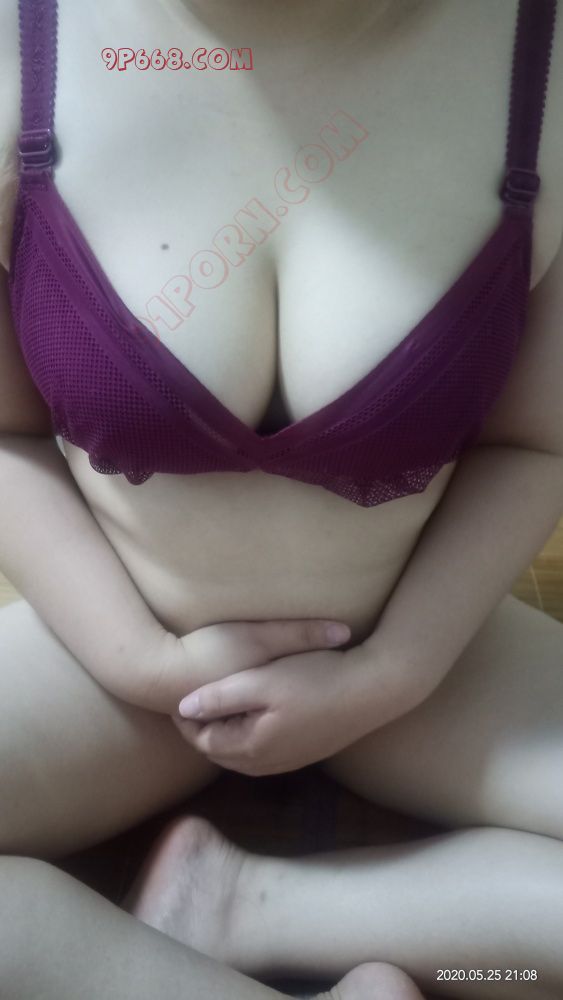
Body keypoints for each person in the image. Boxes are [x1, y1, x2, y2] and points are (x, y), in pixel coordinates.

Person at [0, 0, 562, 997]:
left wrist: (393, 670)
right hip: (112, 662)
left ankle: (249, 907)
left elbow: (532, 443)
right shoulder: (18, 45)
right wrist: (141, 660)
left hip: (423, 651)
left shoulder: (542, 57)